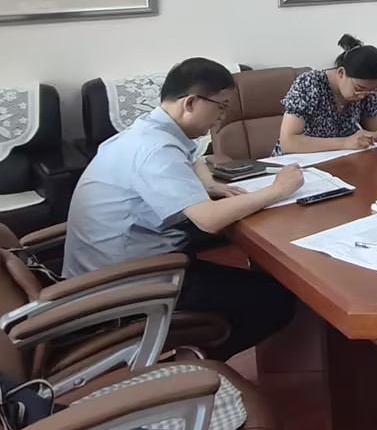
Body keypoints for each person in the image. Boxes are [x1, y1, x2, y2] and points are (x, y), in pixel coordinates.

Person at [63, 58, 300, 357]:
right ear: (190, 103)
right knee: (275, 299)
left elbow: (193, 158)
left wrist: (207, 185)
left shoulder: (148, 130)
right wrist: (277, 190)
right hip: (126, 282)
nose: (223, 117)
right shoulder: (156, 150)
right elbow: (208, 220)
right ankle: (194, 362)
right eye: (221, 106)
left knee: (251, 280)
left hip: (103, 270)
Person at [277, 34, 377, 154]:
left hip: (341, 158)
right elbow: (288, 142)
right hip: (298, 160)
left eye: (371, 90)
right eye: (359, 88)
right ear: (341, 73)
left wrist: (366, 136)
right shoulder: (310, 84)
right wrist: (345, 143)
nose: (362, 96)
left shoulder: (368, 92)